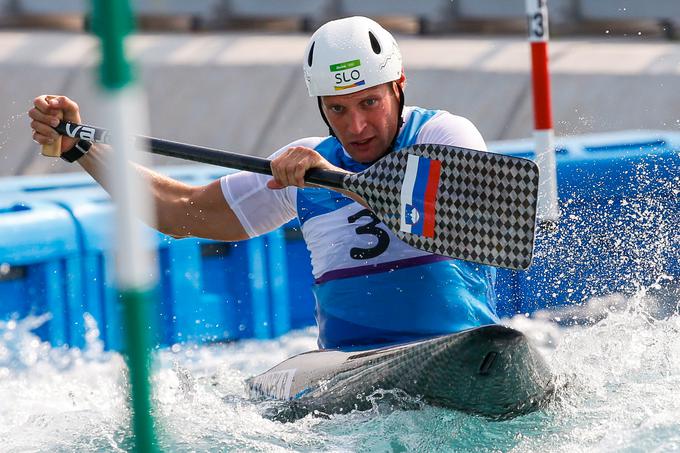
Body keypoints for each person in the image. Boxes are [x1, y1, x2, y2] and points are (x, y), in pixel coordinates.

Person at [28, 16, 499, 350]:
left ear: (398, 86)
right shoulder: (300, 167)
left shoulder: (444, 134)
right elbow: (180, 211)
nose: (355, 127)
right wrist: (82, 149)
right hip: (353, 371)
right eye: (337, 109)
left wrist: (334, 180)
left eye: (369, 103)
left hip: (461, 347)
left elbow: (456, 212)